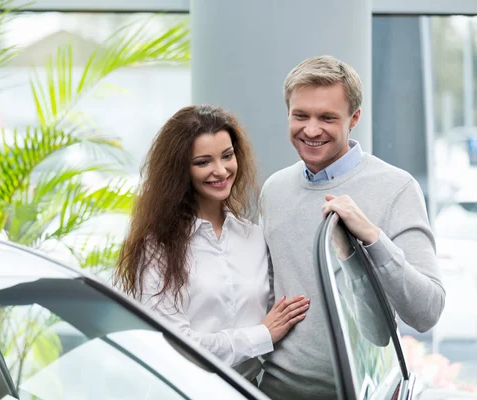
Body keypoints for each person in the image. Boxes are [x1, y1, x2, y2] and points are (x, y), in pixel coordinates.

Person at [259, 55, 446, 399]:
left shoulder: (397, 189)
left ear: (354, 118)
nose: (311, 129)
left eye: (327, 117)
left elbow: (426, 311)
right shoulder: (274, 190)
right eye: (300, 115)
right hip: (273, 391)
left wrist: (373, 238)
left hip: (358, 394)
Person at [113, 104, 309, 381]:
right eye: (203, 162)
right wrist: (260, 336)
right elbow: (176, 345)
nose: (221, 171)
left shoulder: (252, 237)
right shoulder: (157, 247)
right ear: (180, 170)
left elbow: (276, 313)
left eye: (227, 156)